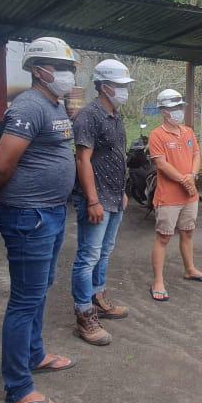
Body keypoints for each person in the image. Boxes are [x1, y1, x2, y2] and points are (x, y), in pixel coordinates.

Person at [0, 37, 80, 403]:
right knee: (25, 299)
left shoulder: (54, 104)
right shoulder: (28, 105)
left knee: (40, 289)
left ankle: (35, 354)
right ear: (41, 70)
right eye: (63, 67)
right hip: (30, 216)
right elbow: (3, 162)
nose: (70, 75)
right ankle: (18, 389)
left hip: (52, 212)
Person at [70, 58, 133, 346]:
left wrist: (121, 191)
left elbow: (116, 156)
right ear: (105, 87)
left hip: (114, 197)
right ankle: (84, 315)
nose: (124, 91)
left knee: (104, 252)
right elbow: (82, 159)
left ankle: (98, 297)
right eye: (120, 86)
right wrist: (93, 200)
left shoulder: (116, 115)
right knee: (88, 256)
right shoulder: (88, 116)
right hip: (96, 199)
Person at [147, 88, 202, 301]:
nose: (178, 111)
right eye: (174, 108)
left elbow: (195, 154)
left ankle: (190, 269)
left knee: (188, 232)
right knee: (164, 237)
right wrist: (183, 179)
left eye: (179, 107)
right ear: (164, 111)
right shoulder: (157, 135)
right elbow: (161, 163)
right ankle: (158, 281)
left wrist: (192, 175)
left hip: (189, 196)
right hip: (169, 196)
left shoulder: (188, 132)